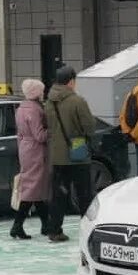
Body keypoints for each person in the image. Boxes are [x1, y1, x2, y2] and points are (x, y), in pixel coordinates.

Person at [44, 65, 95, 243]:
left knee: (59, 194)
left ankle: (54, 230)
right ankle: (88, 230)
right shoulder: (77, 101)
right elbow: (89, 126)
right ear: (71, 81)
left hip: (57, 155)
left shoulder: (49, 102)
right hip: (77, 151)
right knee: (84, 194)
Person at [12, 79, 51, 240]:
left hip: (25, 149)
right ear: (36, 93)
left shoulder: (21, 108)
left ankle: (45, 225)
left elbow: (20, 134)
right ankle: (17, 225)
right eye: (41, 91)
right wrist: (53, 130)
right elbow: (40, 135)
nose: (43, 93)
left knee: (36, 188)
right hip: (36, 151)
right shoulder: (35, 110)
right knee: (32, 189)